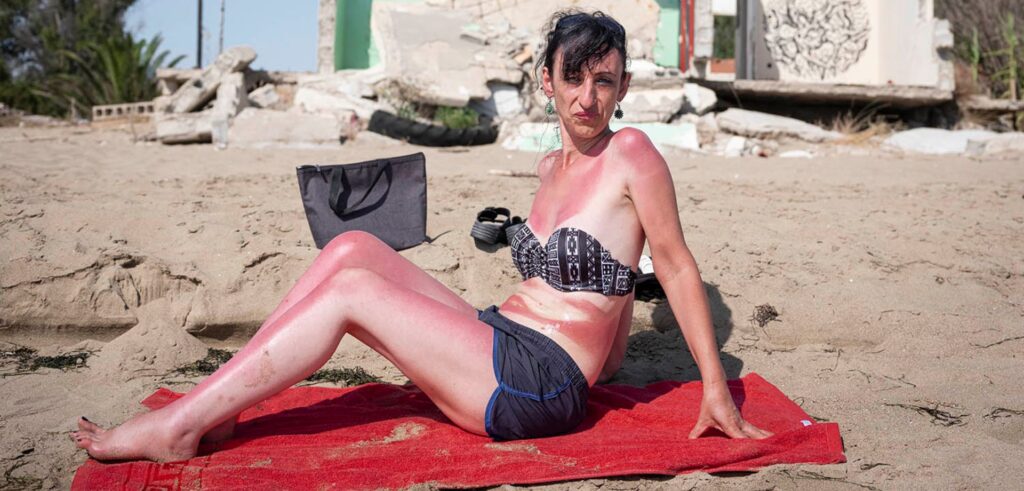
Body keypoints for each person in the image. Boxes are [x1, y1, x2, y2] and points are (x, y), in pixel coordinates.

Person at [72, 10, 770, 462]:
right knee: (352, 249)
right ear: (548, 80)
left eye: (605, 81)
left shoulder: (632, 154)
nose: (588, 97)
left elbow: (675, 267)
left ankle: (180, 426)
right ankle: (225, 405)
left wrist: (715, 388)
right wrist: (610, 353)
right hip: (500, 336)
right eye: (574, 77)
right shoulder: (546, 167)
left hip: (536, 383)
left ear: (623, 88)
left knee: (351, 291)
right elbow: (609, 299)